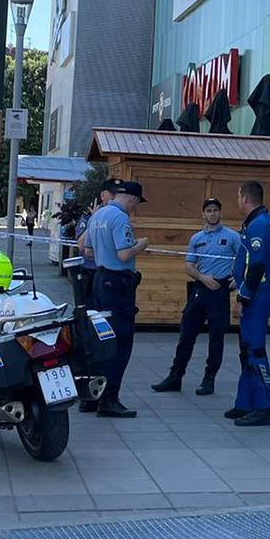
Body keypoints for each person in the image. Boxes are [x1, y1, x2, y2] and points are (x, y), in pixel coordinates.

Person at [152, 197, 237, 397]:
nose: (212, 214)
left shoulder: (232, 237)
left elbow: (244, 260)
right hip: (200, 288)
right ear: (203, 214)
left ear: (220, 212)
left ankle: (209, 379)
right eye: (209, 210)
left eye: (216, 210)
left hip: (220, 289)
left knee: (216, 337)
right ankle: (175, 376)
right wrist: (202, 278)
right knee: (186, 334)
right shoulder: (196, 238)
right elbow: (189, 266)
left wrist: (238, 281)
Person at [82, 179, 145, 418]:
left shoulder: (97, 216)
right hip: (118, 285)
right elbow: (125, 253)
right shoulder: (120, 218)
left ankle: (91, 396)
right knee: (120, 342)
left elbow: (87, 250)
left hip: (99, 280)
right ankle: (109, 399)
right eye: (136, 203)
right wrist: (142, 244)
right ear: (132, 199)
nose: (135, 208)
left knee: (99, 339)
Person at [226, 179, 270, 428]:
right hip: (259, 290)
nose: (237, 200)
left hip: (258, 293)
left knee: (255, 349)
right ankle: (245, 402)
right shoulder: (262, 221)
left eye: (238, 196)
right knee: (246, 349)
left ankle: (263, 407)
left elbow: (257, 265)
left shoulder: (259, 225)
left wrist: (242, 296)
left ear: (245, 198)